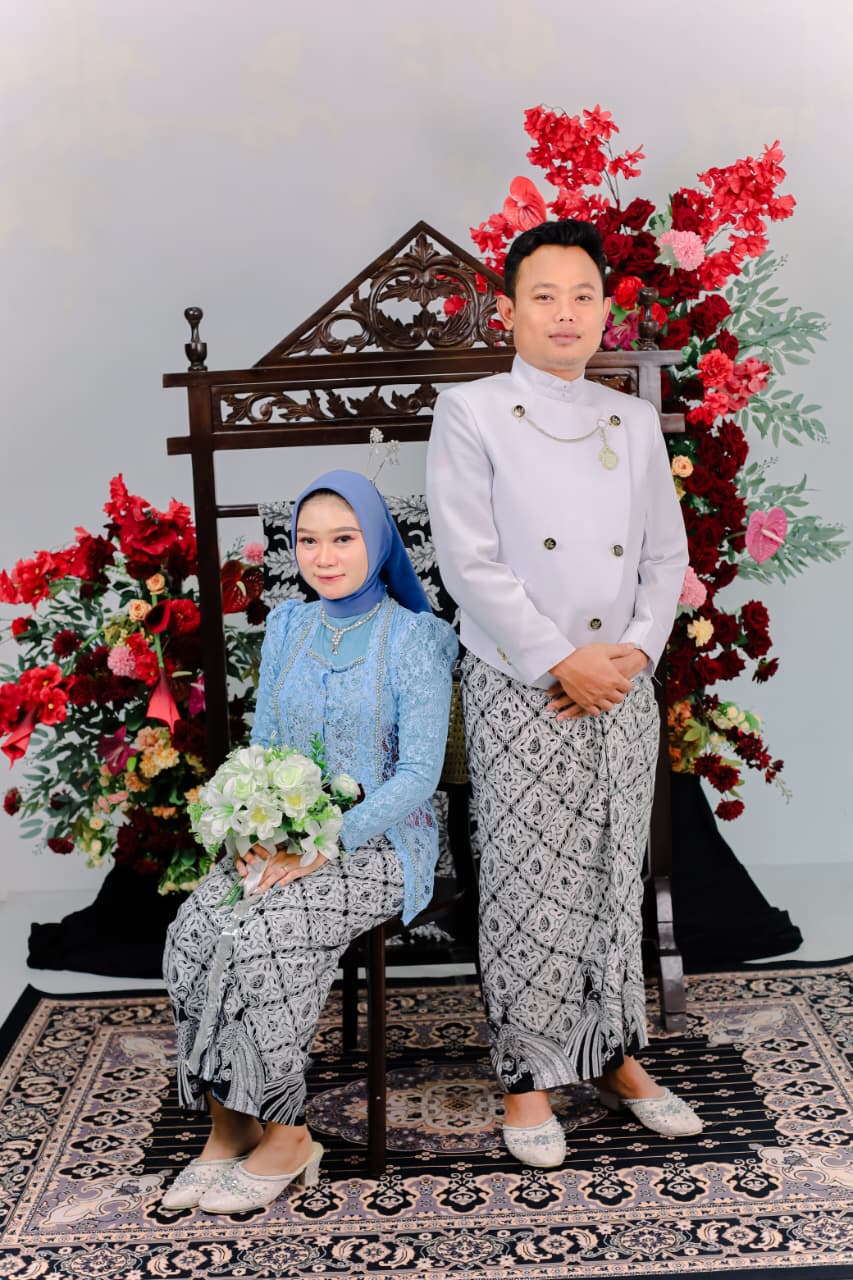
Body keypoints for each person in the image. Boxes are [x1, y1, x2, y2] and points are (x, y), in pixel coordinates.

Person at [426, 218, 700, 1169]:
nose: (565, 314)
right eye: (543, 296)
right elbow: (468, 561)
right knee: (524, 882)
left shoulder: (628, 419)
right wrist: (558, 659)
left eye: (582, 296)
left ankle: (615, 1057)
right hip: (521, 684)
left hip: (619, 683)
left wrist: (632, 653)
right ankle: (526, 1079)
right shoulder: (470, 411)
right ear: (507, 311)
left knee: (613, 872)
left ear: (604, 310)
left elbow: (664, 557)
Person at [162, 470, 457, 1212]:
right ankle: (228, 1126)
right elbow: (263, 743)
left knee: (268, 931)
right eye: (308, 541)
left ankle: (288, 1133)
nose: (324, 558)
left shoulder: (415, 639)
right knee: (195, 928)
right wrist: (252, 828)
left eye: (344, 539)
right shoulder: (289, 627)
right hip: (286, 835)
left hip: (382, 845)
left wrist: (329, 841)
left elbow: (417, 776)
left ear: (377, 542)